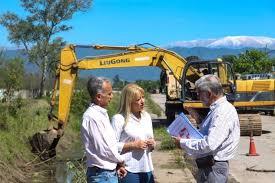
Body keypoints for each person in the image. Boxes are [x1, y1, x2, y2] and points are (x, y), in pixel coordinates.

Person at [173, 74, 240, 183]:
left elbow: (210, 144)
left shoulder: (222, 112)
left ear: (209, 94)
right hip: (210, 166)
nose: (198, 97)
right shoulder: (217, 109)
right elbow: (210, 132)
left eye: (199, 93)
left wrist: (182, 143)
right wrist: (198, 119)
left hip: (213, 169)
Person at [81, 75, 127, 183]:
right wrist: (121, 160)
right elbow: (104, 149)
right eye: (109, 94)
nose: (112, 96)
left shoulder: (101, 114)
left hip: (106, 173)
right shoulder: (93, 117)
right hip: (102, 175)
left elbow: (110, 144)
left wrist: (116, 164)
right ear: (98, 97)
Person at [111, 83, 156, 183]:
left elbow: (151, 139)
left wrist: (152, 144)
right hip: (128, 169)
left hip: (146, 168)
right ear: (129, 102)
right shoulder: (118, 119)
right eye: (138, 99)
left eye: (143, 98)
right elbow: (111, 146)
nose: (142, 101)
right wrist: (133, 145)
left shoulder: (146, 117)